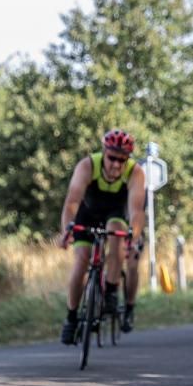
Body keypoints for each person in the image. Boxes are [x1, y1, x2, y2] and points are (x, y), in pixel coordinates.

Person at [57, 128, 147, 344]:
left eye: (122, 160)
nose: (116, 164)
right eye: (112, 158)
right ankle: (71, 319)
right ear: (104, 153)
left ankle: (111, 292)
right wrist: (66, 230)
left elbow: (136, 211)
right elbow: (71, 202)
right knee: (80, 261)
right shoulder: (87, 165)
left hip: (116, 214)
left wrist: (133, 237)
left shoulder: (135, 172)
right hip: (86, 213)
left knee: (117, 237)